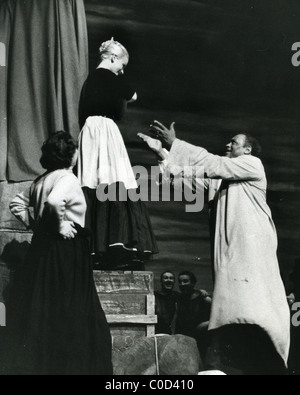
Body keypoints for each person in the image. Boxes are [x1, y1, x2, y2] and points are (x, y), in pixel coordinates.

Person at [138, 122, 290, 375]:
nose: (228, 144)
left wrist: (175, 144)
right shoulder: (221, 179)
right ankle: (228, 362)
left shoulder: (253, 165)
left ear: (248, 150)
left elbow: (213, 163)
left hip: (251, 246)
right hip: (232, 248)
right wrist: (161, 153)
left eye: (234, 142)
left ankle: (257, 358)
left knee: (250, 301)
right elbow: (188, 177)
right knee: (235, 303)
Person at [2, 131, 113, 375]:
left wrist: (37, 224)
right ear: (70, 155)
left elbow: (16, 204)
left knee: (47, 308)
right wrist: (59, 225)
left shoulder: (41, 180)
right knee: (69, 309)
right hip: (66, 252)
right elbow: (54, 203)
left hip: (45, 251)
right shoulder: (67, 178)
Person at [78, 38, 158, 270]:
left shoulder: (90, 80)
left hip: (90, 133)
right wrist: (119, 75)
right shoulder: (108, 77)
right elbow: (132, 95)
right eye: (121, 64)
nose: (122, 70)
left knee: (94, 180)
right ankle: (116, 244)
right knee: (114, 178)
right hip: (103, 131)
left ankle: (98, 245)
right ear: (112, 58)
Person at [176, 271, 211, 362]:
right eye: (180, 282)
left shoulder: (204, 298)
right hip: (185, 340)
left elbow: (218, 315)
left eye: (185, 281)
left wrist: (206, 324)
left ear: (193, 283)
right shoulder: (179, 298)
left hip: (202, 340)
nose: (182, 284)